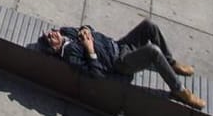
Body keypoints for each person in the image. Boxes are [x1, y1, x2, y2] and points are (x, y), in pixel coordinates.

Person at [40, 19, 204, 109]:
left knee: (149, 26)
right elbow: (96, 74)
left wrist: (86, 29)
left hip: (119, 46)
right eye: (50, 37)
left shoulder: (65, 31)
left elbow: (87, 27)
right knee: (152, 52)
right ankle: (180, 91)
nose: (52, 33)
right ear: (54, 49)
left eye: (50, 31)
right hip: (119, 63)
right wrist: (90, 49)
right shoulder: (70, 56)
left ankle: (171, 62)